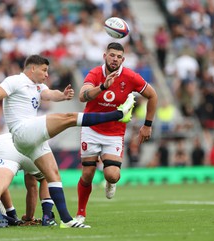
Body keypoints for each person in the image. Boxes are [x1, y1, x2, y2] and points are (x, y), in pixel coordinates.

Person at [0, 54, 136, 229]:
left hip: (29, 140)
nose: (47, 74)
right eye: (44, 70)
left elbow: (50, 94)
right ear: (32, 68)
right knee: (68, 118)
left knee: (53, 176)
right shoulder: (14, 81)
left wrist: (63, 95)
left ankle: (66, 220)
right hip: (22, 130)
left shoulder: (37, 86)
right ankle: (119, 114)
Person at [75, 42, 158, 224]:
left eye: (119, 57)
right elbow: (82, 96)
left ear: (123, 59)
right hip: (91, 128)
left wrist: (147, 125)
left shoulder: (130, 77)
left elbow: (153, 95)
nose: (115, 59)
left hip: (114, 132)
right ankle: (81, 214)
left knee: (111, 174)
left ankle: (111, 183)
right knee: (87, 174)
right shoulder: (95, 73)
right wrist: (103, 87)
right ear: (105, 56)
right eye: (112, 55)